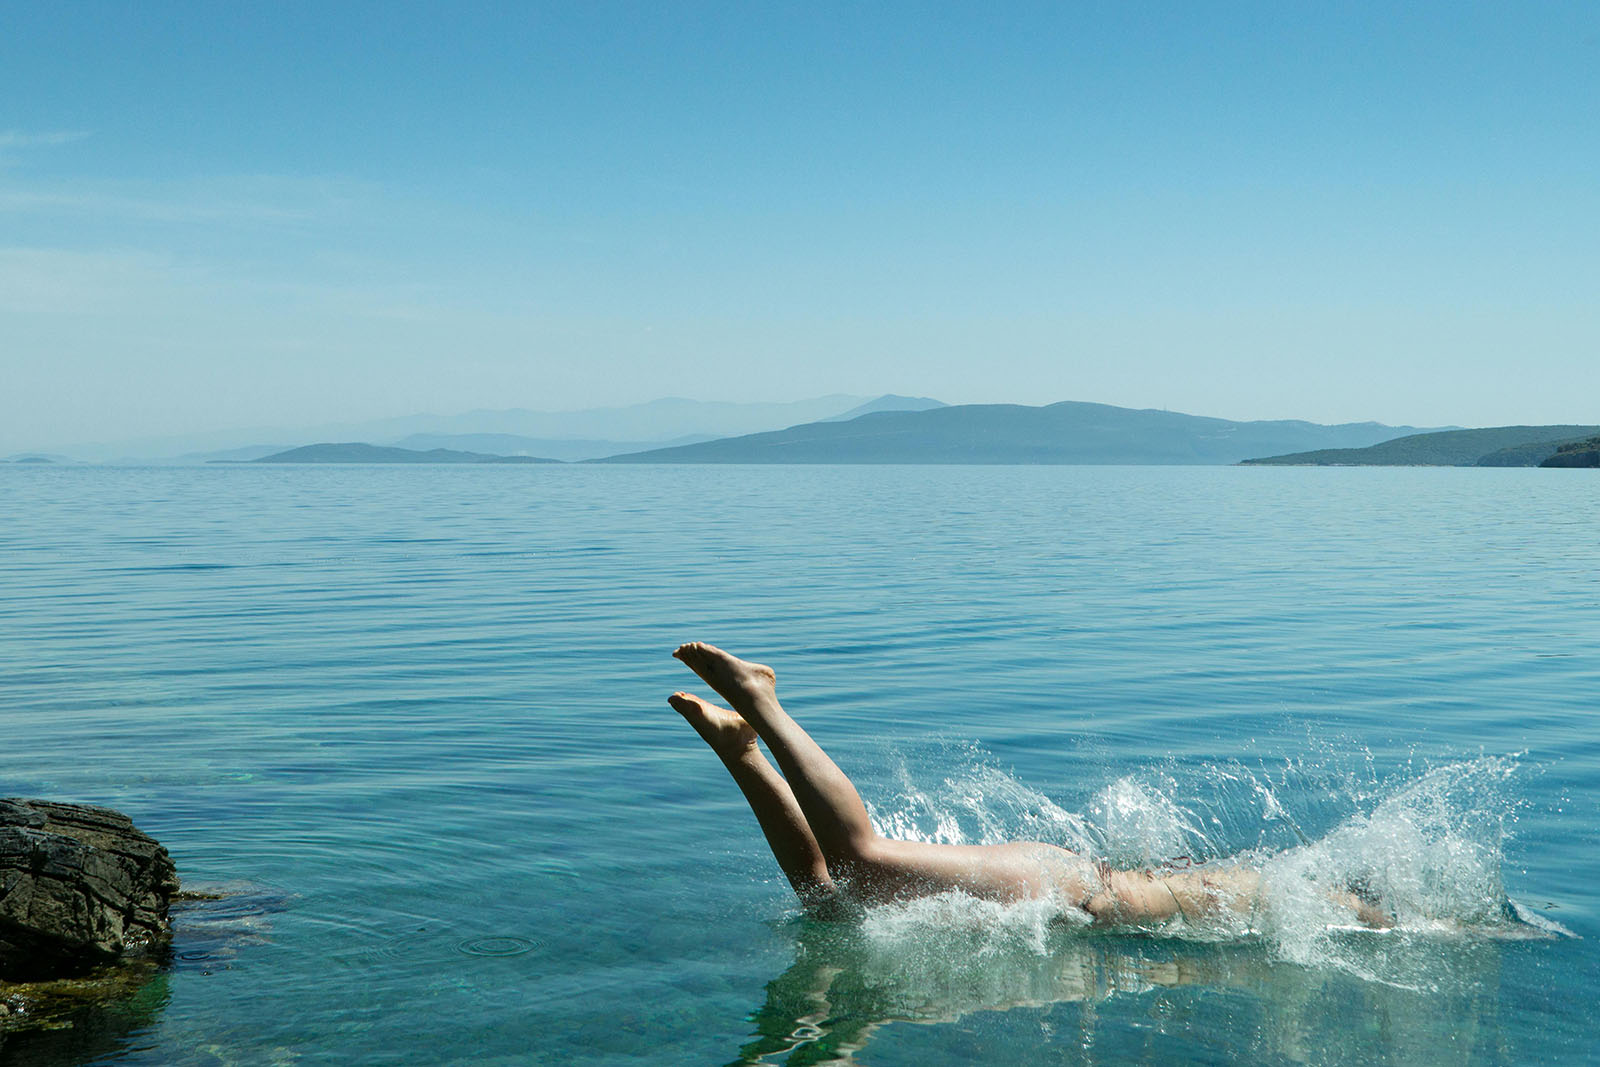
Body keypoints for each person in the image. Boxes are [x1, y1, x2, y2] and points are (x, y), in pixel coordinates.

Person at [668, 641, 1390, 929]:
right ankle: (763, 699)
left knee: (832, 899)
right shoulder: (1299, 898)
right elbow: (1384, 922)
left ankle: (744, 752)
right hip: (1062, 884)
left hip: (1068, 885)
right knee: (867, 859)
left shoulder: (1263, 888)